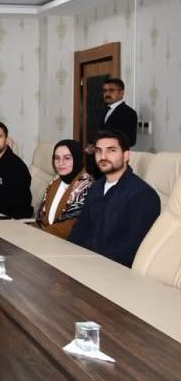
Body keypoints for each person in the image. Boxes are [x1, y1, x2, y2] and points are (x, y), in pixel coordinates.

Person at [68, 130, 160, 267]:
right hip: (83, 263)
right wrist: (68, 257)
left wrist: (91, 264)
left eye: (111, 150)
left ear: (126, 155)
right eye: (98, 151)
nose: (103, 156)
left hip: (113, 270)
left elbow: (132, 248)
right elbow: (79, 230)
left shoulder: (143, 195)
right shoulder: (95, 187)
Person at [35, 139, 93, 239]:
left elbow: (69, 227)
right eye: (57, 158)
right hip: (46, 237)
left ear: (77, 159)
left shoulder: (86, 186)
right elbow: (41, 218)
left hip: (67, 243)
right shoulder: (55, 181)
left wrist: (38, 236)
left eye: (67, 158)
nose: (60, 163)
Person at [99, 77, 138, 147]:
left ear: (121, 93)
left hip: (117, 152)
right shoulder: (104, 111)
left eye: (111, 90)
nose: (107, 93)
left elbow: (130, 140)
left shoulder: (129, 113)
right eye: (105, 91)